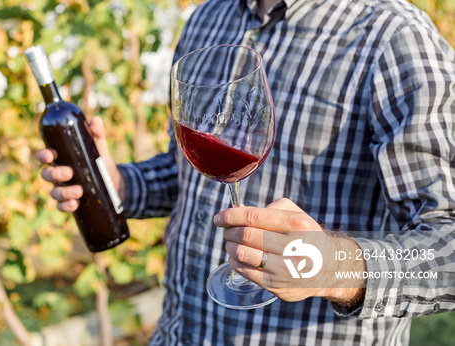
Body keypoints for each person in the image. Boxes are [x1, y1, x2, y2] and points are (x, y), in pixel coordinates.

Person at [36, 0, 455, 344]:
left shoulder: (394, 37)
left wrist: (333, 267)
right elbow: (189, 171)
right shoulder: (207, 18)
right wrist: (123, 183)